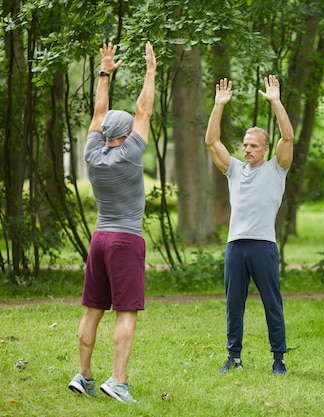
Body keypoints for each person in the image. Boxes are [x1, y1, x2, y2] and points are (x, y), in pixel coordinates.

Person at [68, 41, 156, 403]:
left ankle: (84, 375)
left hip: (100, 238)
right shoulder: (130, 155)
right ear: (125, 135)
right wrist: (150, 72)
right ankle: (117, 381)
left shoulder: (92, 152)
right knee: (126, 312)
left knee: (93, 310)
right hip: (125, 241)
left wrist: (105, 72)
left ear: (106, 134)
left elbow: (97, 112)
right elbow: (144, 110)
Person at [204, 75, 294, 374]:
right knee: (233, 306)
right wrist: (218, 106)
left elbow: (288, 138)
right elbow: (211, 141)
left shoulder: (276, 169)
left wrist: (276, 102)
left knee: (272, 303)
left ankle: (278, 358)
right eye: (245, 145)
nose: (248, 149)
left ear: (265, 149)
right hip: (235, 246)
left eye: (254, 145)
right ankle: (234, 357)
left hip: (263, 246)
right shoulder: (234, 170)